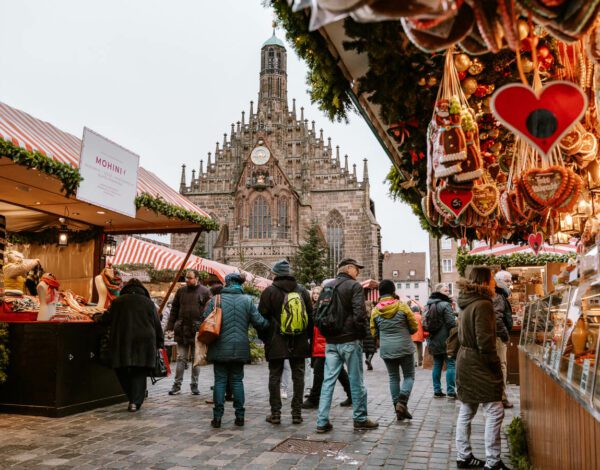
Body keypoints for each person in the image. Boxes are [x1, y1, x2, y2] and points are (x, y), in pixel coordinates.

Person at [316, 258, 378, 433]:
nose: (358, 272)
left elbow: (317, 312)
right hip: (350, 340)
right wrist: (360, 334)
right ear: (349, 269)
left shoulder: (327, 286)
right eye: (357, 269)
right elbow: (360, 313)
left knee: (328, 381)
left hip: (331, 341)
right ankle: (360, 418)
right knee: (356, 380)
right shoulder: (354, 286)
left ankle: (321, 421)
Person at [455, 267, 508, 470]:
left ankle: (464, 457)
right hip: (478, 362)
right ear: (485, 282)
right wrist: (495, 366)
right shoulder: (484, 304)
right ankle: (493, 462)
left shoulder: (466, 302)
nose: (495, 283)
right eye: (493, 280)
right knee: (495, 410)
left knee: (467, 408)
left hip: (466, 359)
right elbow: (485, 341)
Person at [204, 273, 269, 428]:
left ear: (226, 283)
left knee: (220, 381)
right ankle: (239, 417)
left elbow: (204, 320)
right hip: (240, 347)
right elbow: (260, 322)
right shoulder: (247, 301)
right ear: (240, 284)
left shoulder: (216, 300)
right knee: (237, 381)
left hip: (219, 346)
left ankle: (217, 418)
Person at [95, 278, 164, 412]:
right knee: (139, 370)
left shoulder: (118, 302)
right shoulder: (149, 303)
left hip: (123, 339)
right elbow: (157, 324)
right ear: (142, 289)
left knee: (120, 368)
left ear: (125, 289)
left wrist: (96, 317)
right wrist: (160, 342)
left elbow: (106, 319)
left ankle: (132, 398)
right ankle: (135, 402)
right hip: (145, 340)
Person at [259, 259, 313, 425]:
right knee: (299, 376)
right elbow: (311, 317)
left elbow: (261, 317)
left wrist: (266, 337)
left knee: (275, 376)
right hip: (299, 339)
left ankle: (275, 414)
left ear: (275, 273)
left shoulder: (269, 291)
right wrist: (306, 336)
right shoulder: (302, 291)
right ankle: (296, 413)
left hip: (276, 340)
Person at [371, 280, 418, 421]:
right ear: (393, 291)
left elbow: (373, 332)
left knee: (393, 378)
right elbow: (414, 326)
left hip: (387, 348)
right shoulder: (402, 306)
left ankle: (397, 409)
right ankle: (402, 403)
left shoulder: (375, 310)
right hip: (404, 346)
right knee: (409, 376)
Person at [166, 270, 211, 396]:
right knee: (181, 358)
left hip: (197, 330)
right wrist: (170, 325)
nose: (187, 280)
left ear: (196, 278)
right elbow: (174, 309)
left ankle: (194, 385)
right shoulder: (181, 291)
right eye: (186, 278)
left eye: (190, 278)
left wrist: (205, 326)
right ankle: (176, 385)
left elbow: (210, 311)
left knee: (195, 359)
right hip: (182, 329)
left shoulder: (205, 291)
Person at [425, 283, 457, 398]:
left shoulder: (428, 305)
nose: (448, 292)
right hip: (446, 340)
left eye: (448, 290)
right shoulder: (445, 304)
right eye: (445, 291)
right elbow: (451, 323)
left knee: (437, 364)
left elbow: (425, 323)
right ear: (439, 292)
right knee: (451, 364)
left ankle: (437, 390)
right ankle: (451, 391)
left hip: (433, 339)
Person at [492, 270, 514, 409]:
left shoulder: (499, 294)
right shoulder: (499, 296)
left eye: (510, 281)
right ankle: (501, 398)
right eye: (507, 281)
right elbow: (497, 318)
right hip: (498, 337)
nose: (510, 284)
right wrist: (504, 335)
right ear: (499, 281)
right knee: (501, 366)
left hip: (496, 336)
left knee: (499, 366)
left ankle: (499, 396)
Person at [409, 302, 426, 367]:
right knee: (420, 349)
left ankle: (415, 362)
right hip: (420, 335)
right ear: (418, 311)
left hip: (413, 335)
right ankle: (420, 361)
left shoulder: (411, 317)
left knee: (414, 349)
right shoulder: (420, 317)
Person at [362, 299, 377, 370]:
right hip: (371, 332)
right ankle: (369, 360)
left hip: (364, 333)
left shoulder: (362, 313)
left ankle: (369, 365)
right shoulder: (372, 312)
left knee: (367, 349)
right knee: (372, 349)